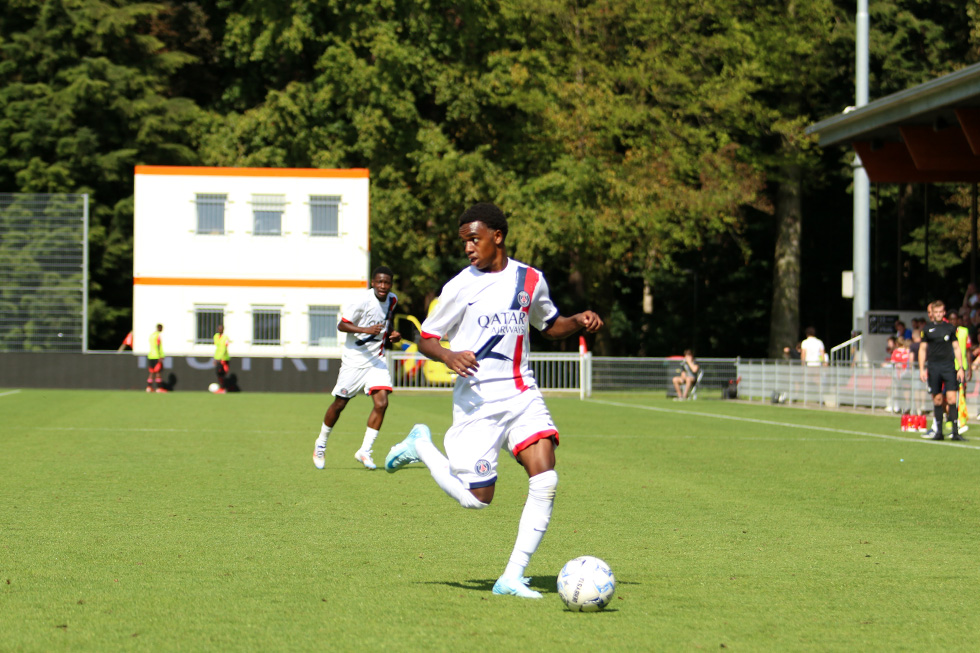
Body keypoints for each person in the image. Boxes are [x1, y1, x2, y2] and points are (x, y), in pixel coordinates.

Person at [383, 202, 603, 599]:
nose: (468, 248)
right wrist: (449, 356)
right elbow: (426, 338)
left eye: (474, 239)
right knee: (477, 500)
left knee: (546, 478)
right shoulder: (459, 286)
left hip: (522, 393)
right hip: (478, 404)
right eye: (464, 241)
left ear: (497, 236)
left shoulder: (530, 279)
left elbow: (551, 326)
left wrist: (579, 320)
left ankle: (512, 577)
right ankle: (422, 445)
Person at [312, 266, 401, 471]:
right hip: (354, 360)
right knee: (340, 404)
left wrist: (392, 335)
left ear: (391, 284)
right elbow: (342, 325)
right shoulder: (361, 301)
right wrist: (364, 329)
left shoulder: (393, 300)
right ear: (372, 282)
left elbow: (385, 326)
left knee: (382, 402)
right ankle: (321, 444)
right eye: (379, 282)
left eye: (386, 282)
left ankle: (365, 451)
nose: (382, 286)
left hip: (376, 360)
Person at [919, 300, 966, 441]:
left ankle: (955, 432)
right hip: (934, 367)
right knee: (938, 399)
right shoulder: (927, 329)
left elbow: (957, 348)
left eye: (941, 312)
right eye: (936, 312)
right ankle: (938, 432)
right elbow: (922, 349)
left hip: (948, 367)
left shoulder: (950, 328)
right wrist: (922, 369)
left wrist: (961, 368)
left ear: (944, 313)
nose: (938, 314)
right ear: (932, 313)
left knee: (952, 398)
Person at [146, 324, 166, 393]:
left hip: (150, 355)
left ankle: (149, 387)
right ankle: (159, 388)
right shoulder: (158, 336)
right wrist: (160, 355)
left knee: (151, 372)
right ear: (159, 328)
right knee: (158, 372)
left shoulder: (151, 335)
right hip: (156, 356)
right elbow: (158, 345)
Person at [213, 325, 231, 393]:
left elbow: (224, 348)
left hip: (224, 358)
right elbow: (217, 348)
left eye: (221, 329)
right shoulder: (216, 336)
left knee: (222, 373)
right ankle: (221, 388)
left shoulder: (225, 338)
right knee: (218, 373)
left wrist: (221, 358)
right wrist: (215, 358)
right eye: (219, 328)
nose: (220, 330)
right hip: (217, 357)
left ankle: (223, 388)